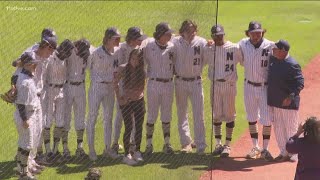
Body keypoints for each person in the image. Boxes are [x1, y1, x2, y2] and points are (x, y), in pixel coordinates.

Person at [238, 21, 274, 161]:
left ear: (262, 32)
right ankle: (255, 147)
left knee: (266, 119)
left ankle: (265, 149)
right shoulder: (242, 44)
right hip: (248, 86)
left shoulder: (271, 45)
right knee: (251, 117)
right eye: (253, 33)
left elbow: (283, 55)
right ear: (248, 33)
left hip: (265, 87)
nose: (256, 35)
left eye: (258, 32)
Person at [205, 24, 241, 157]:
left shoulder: (234, 47)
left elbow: (243, 61)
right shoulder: (208, 48)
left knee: (230, 114)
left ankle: (227, 145)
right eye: (216, 36)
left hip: (229, 85)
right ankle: (218, 143)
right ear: (212, 36)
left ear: (224, 35)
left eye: (220, 35)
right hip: (215, 85)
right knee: (216, 114)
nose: (219, 38)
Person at [172, 19, 207, 154]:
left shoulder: (202, 42)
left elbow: (206, 59)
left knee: (199, 114)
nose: (191, 33)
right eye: (188, 31)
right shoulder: (175, 42)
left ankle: (200, 144)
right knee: (182, 113)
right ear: (182, 32)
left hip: (196, 82)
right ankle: (186, 143)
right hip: (180, 82)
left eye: (193, 30)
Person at [86, 27, 121, 161]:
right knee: (93, 117)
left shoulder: (118, 51)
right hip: (97, 88)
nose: (118, 40)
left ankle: (107, 149)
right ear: (107, 39)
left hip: (110, 88)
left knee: (108, 119)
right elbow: (88, 68)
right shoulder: (95, 53)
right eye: (116, 38)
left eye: (119, 38)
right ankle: (91, 150)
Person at [111, 26, 147, 155]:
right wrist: (120, 93)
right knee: (120, 116)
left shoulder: (139, 49)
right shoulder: (120, 49)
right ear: (131, 39)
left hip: (135, 88)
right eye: (138, 39)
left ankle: (132, 144)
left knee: (133, 119)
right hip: (122, 86)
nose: (140, 41)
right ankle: (115, 143)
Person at [268, 39, 304, 161]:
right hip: (275, 102)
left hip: (288, 103)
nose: (273, 51)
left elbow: (300, 83)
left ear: (283, 51)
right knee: (278, 128)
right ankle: (284, 152)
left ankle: (294, 153)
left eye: (275, 49)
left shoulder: (292, 64)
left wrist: (290, 97)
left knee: (291, 128)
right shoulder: (273, 60)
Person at [144, 22, 175, 155]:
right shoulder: (148, 46)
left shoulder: (173, 47)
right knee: (151, 115)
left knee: (167, 114)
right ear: (160, 34)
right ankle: (148, 145)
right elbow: (141, 65)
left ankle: (167, 144)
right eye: (167, 33)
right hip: (153, 84)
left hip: (168, 84)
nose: (170, 35)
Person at [44, 39, 75, 161]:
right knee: (47, 121)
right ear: (62, 49)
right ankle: (48, 151)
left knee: (60, 122)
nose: (68, 55)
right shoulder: (51, 58)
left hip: (62, 91)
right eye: (67, 52)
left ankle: (56, 150)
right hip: (50, 90)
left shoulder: (65, 59)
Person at [14, 52, 41, 180]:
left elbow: (14, 78)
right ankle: (24, 174)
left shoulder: (23, 75)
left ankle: (20, 169)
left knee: (22, 142)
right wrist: (25, 120)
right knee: (27, 145)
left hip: (26, 114)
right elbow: (20, 104)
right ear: (29, 65)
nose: (35, 66)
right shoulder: (25, 81)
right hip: (25, 115)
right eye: (34, 64)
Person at [64, 38, 92, 159]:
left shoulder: (88, 53)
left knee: (80, 117)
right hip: (68, 87)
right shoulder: (69, 52)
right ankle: (65, 148)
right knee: (66, 117)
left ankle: (79, 147)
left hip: (80, 87)